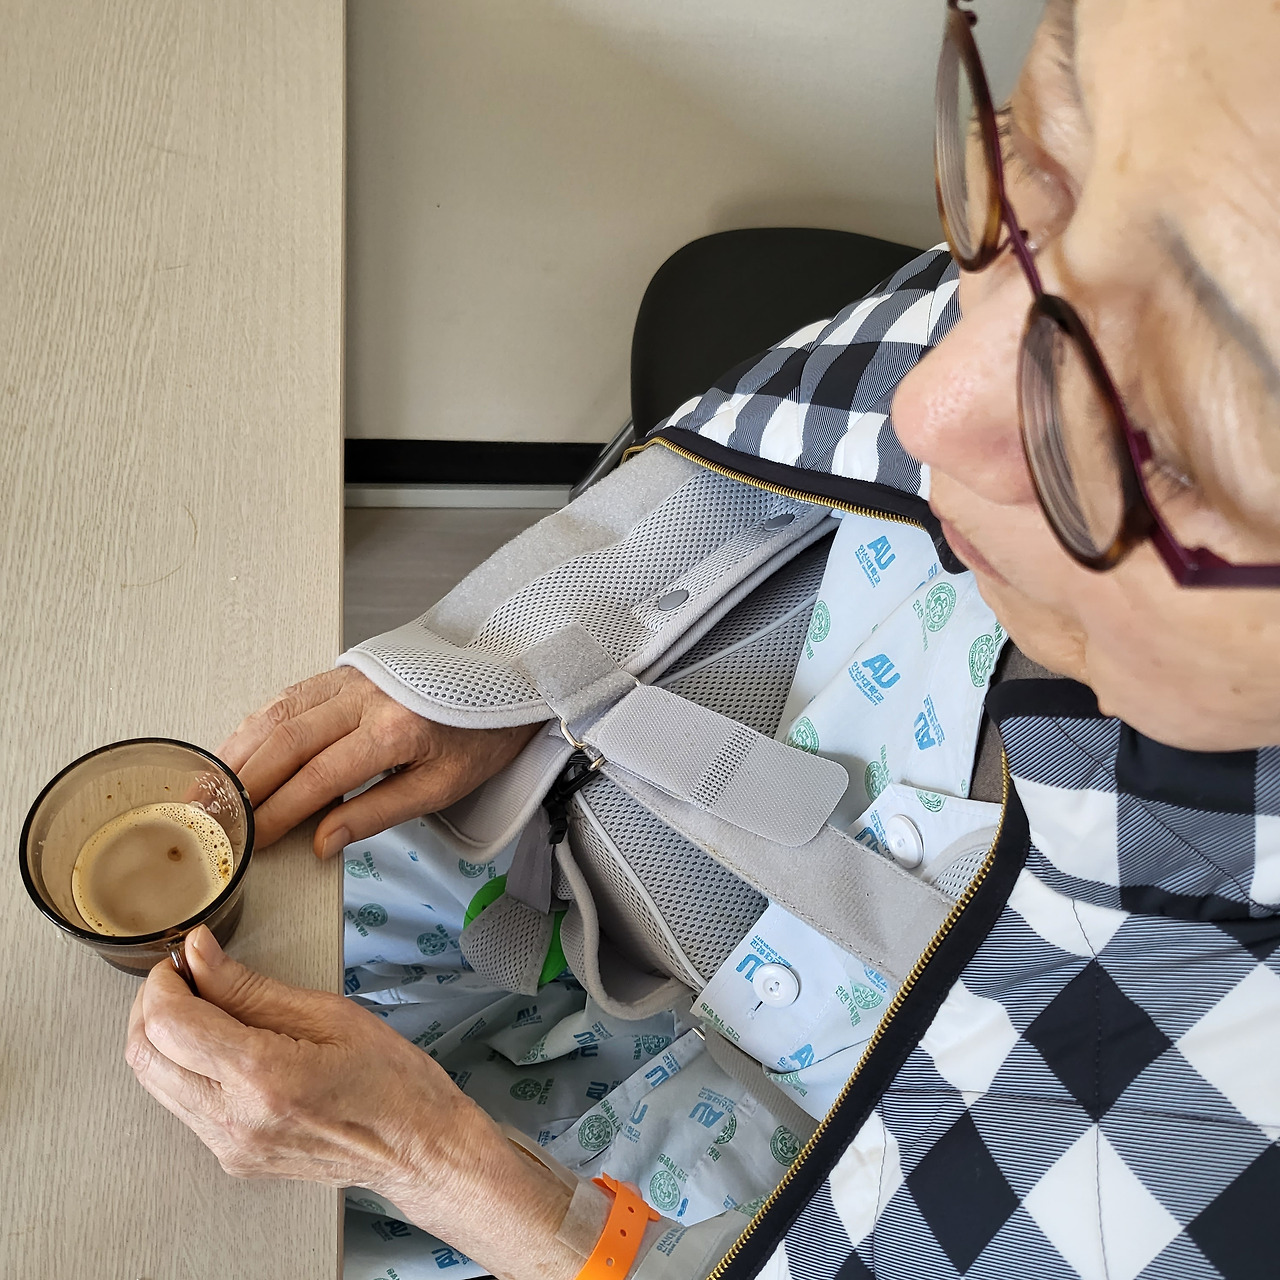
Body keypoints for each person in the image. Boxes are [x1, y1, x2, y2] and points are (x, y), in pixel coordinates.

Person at [125, 1, 1280, 1277]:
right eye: (1041, 160)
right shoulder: (1088, 270)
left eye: (1160, 449)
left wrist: (434, 1163)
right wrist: (512, 657)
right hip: (587, 848)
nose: (928, 410)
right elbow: (775, 456)